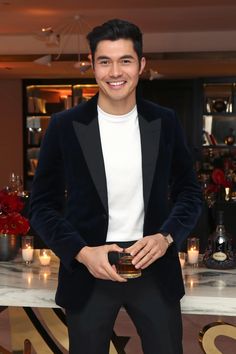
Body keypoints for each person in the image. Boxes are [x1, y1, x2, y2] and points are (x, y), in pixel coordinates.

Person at [30, 18, 202, 354]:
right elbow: (41, 206)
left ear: (141, 64)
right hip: (89, 268)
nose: (115, 72)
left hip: (153, 265)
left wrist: (165, 237)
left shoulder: (164, 121)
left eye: (125, 60)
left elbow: (189, 193)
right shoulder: (65, 126)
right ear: (92, 66)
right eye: (105, 61)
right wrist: (80, 252)